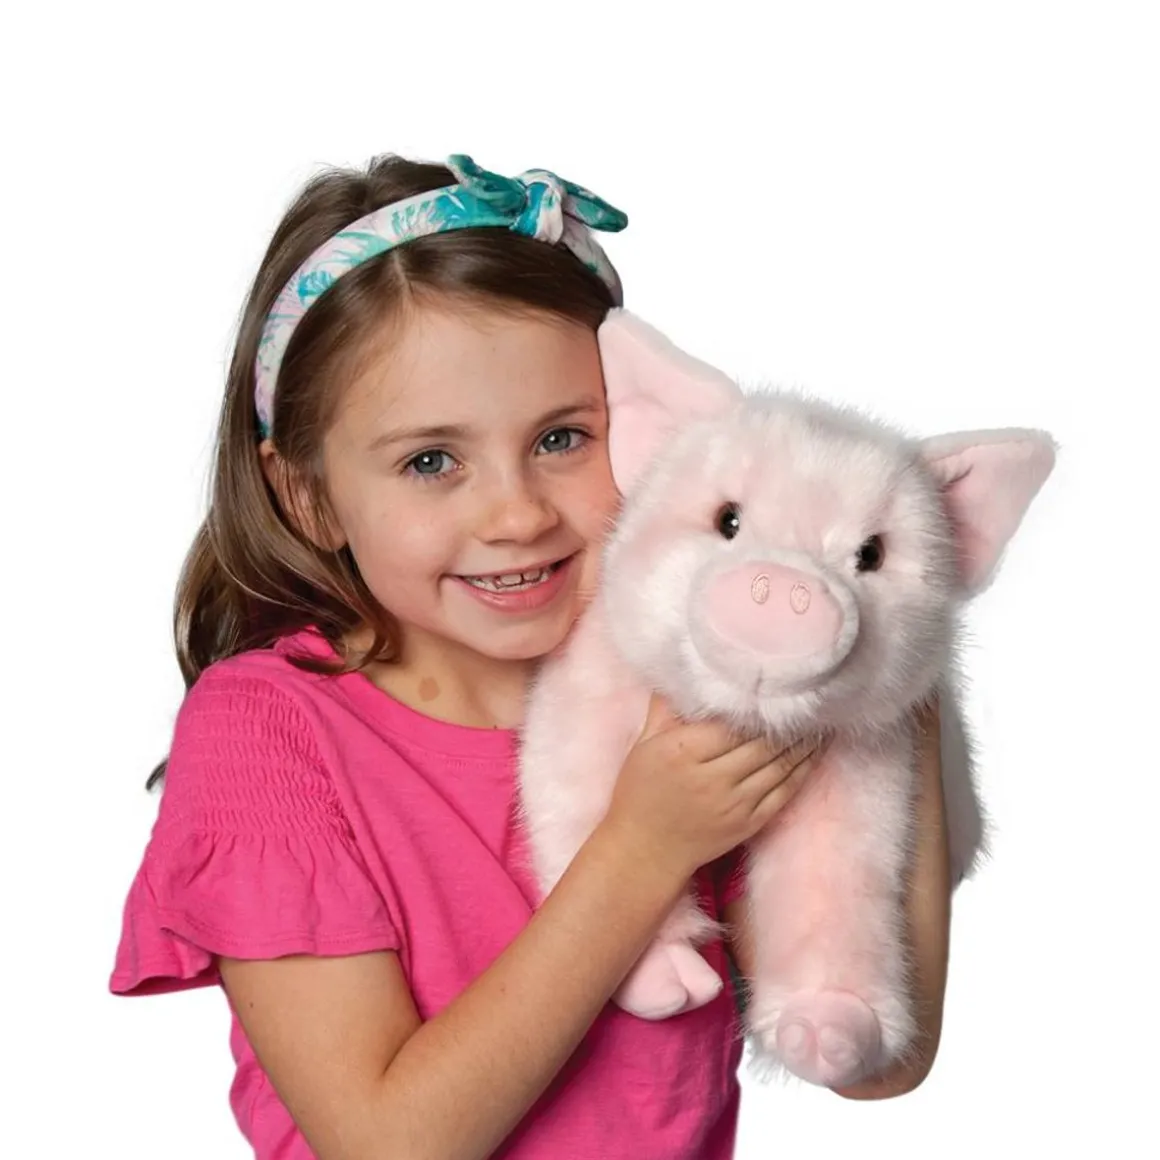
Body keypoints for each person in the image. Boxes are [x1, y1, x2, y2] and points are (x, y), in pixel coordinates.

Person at [109, 152, 952, 1160]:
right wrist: (643, 848)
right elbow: (388, 1145)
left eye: (561, 439)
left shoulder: (694, 693)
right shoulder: (268, 731)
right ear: (309, 495)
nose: (514, 514)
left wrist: (891, 672)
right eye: (431, 460)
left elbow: (875, 1061)